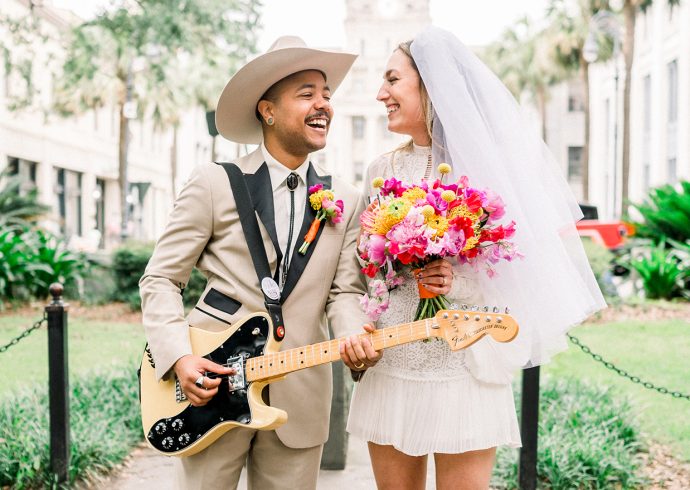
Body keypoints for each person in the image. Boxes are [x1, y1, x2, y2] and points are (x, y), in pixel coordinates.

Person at [346, 26, 606, 489]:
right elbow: (367, 266)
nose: (381, 93)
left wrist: (454, 281)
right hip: (393, 360)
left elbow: (519, 271)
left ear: (430, 85)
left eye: (392, 80)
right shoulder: (381, 171)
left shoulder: (487, 172)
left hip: (464, 366)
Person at [139, 36, 380, 490]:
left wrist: (353, 338)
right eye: (306, 93)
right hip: (210, 387)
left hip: (300, 395)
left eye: (326, 94)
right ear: (267, 110)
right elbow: (161, 278)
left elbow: (344, 292)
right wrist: (179, 358)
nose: (323, 104)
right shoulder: (213, 182)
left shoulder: (345, 198)